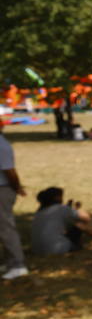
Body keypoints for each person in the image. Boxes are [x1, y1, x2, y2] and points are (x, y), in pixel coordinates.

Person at [30, 186, 92, 255]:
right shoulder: (61, 208)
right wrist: (75, 210)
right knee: (80, 224)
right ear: (57, 197)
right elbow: (86, 218)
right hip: (57, 249)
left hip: (37, 250)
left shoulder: (39, 212)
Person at [0, 117, 28, 279]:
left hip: (3, 189)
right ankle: (10, 262)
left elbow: (10, 172)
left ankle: (18, 265)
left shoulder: (2, 146)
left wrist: (17, 187)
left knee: (6, 227)